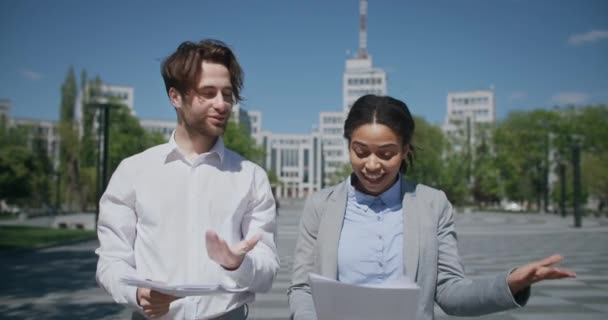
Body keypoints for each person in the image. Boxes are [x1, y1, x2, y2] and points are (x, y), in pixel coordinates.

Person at [287, 94, 575, 320]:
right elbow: (302, 288)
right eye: (360, 152)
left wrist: (509, 284)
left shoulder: (432, 204)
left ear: (405, 151)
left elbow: (448, 291)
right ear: (349, 145)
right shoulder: (321, 206)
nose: (372, 164)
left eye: (386, 154)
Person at [96, 39, 280, 320]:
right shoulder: (133, 172)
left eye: (227, 94)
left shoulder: (251, 177)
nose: (222, 104)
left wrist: (236, 264)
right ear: (175, 97)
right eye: (208, 93)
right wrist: (138, 294)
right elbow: (111, 260)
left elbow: (267, 269)